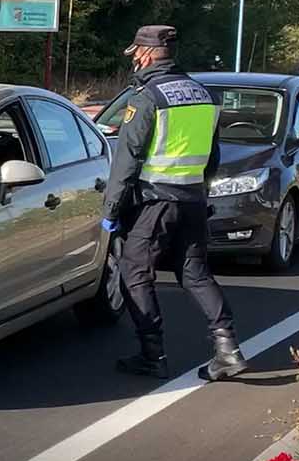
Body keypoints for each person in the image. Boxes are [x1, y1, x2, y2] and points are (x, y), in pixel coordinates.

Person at [101, 25, 248, 381]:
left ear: (148, 54)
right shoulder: (204, 94)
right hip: (193, 199)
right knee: (195, 273)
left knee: (134, 274)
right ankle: (228, 350)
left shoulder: (147, 97)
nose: (135, 59)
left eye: (136, 53)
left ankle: (153, 355)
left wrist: (111, 210)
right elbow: (212, 157)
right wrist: (199, 191)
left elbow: (127, 159)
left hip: (155, 202)